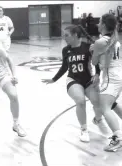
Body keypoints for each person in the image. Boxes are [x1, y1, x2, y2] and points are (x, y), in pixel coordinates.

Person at [42, 25, 109, 143]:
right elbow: (64, 67)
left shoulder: (88, 47)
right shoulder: (66, 50)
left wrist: (97, 74)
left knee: (96, 102)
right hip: (73, 80)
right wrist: (54, 79)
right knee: (80, 101)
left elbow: (96, 63)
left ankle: (98, 119)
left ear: (75, 35)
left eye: (66, 35)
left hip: (88, 80)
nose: (64, 38)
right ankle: (84, 129)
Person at [91, 13, 122, 152]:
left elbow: (94, 62)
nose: (98, 24)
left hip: (110, 77)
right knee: (113, 104)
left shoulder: (100, 42)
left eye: (99, 22)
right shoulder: (116, 40)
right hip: (118, 75)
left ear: (103, 24)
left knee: (105, 108)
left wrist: (93, 50)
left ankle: (118, 138)